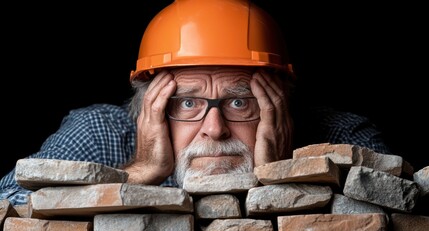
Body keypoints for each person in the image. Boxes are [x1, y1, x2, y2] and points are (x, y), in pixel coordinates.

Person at [0, 0, 390, 206]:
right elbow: (9, 205)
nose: (215, 129)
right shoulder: (102, 133)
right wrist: (136, 174)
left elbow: (406, 209)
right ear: (150, 107)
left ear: (280, 102)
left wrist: (286, 177)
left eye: (240, 102)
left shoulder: (338, 134)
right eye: (187, 103)